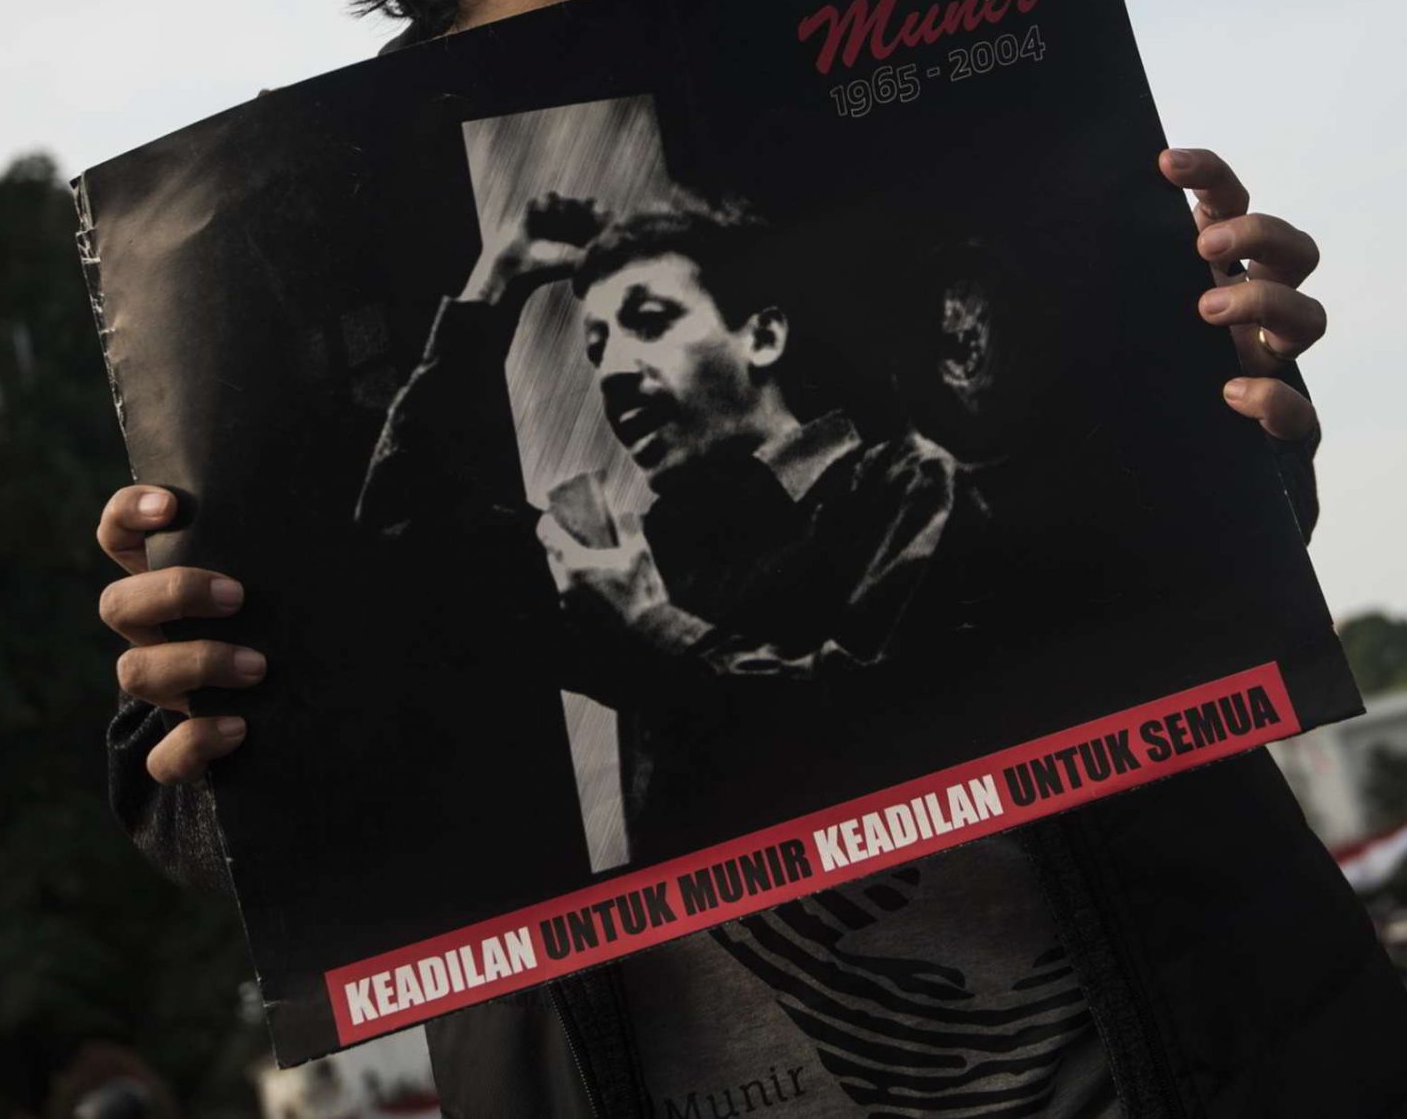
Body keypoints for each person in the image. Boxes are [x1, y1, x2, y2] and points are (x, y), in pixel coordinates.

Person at [91, 0, 1407, 1118]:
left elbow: (1152, 579)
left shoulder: (957, 91)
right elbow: (296, 795)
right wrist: (202, 731)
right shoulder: (253, 272)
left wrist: (1220, 404)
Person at [359, 191, 976, 858]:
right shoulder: (641, 560)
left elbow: (888, 743)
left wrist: (651, 629)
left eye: (649, 323)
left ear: (763, 337)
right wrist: (497, 284)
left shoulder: (902, 486)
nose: (612, 374)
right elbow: (404, 527)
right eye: (597, 351)